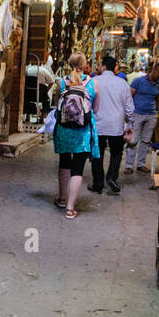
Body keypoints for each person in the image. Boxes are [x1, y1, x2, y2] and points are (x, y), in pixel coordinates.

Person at [52, 51, 99, 219]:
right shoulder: (92, 83)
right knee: (78, 167)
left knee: (64, 162)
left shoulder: (62, 82)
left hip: (64, 130)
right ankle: (70, 208)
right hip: (83, 131)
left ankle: (62, 198)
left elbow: (57, 105)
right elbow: (96, 109)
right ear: (85, 66)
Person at [88, 54, 134, 194]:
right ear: (115, 68)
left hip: (98, 124)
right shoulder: (123, 83)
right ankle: (112, 177)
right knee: (116, 152)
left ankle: (98, 184)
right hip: (116, 125)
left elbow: (87, 102)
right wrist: (129, 123)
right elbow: (130, 109)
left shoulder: (94, 81)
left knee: (97, 153)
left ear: (102, 67)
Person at [125, 61, 159, 174]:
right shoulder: (138, 81)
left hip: (151, 115)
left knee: (146, 141)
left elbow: (158, 99)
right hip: (137, 114)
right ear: (153, 70)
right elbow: (129, 97)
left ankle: (141, 163)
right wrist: (128, 114)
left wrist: (157, 112)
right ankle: (129, 165)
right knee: (133, 140)